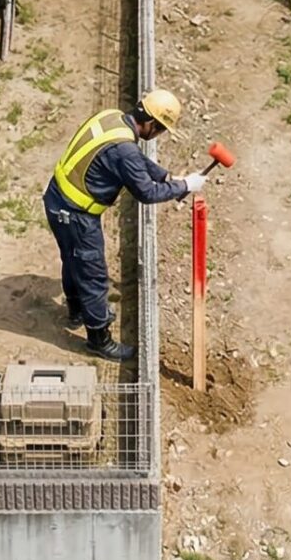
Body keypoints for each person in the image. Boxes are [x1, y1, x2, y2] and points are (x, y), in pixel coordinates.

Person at [45, 88, 198, 360]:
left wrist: (167, 177)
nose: (158, 135)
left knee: (73, 260)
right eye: (160, 130)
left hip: (58, 201)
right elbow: (146, 192)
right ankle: (99, 339)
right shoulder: (124, 149)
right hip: (77, 215)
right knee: (93, 274)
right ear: (151, 123)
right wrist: (184, 185)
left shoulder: (113, 118)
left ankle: (78, 310)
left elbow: (136, 162)